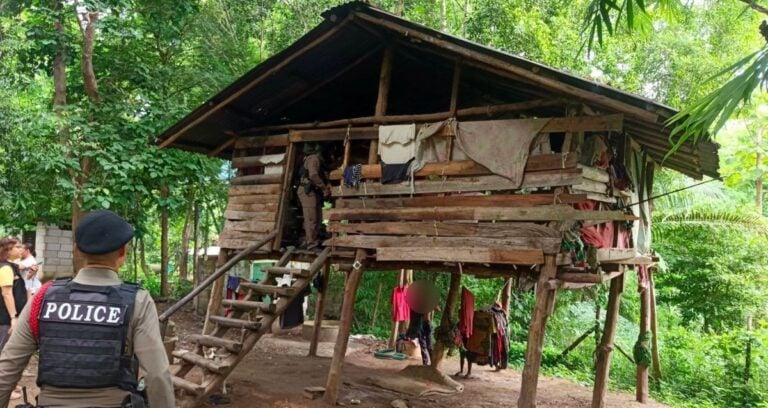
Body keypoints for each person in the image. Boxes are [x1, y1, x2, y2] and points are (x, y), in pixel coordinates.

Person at [0, 210, 176, 407]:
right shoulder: (137, 300)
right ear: (123, 252)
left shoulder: (43, 298)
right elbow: (157, 374)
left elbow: (7, 370)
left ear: (77, 250)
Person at [0, 237, 26, 400]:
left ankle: (11, 384)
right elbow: (7, 293)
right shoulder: (5, 268)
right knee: (4, 351)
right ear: (8, 250)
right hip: (5, 318)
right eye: (18, 246)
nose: (21, 249)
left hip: (6, 317)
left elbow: (22, 266)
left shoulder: (10, 266)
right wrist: (13, 317)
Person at [296, 142, 332, 250]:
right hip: (308, 191)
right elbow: (313, 175)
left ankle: (312, 240)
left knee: (315, 217)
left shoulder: (312, 159)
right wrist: (324, 188)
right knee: (311, 218)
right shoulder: (313, 158)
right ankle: (311, 243)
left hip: (311, 191)